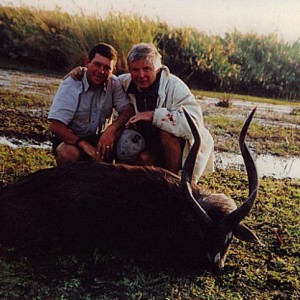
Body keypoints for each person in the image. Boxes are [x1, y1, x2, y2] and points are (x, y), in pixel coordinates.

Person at [67, 43, 214, 183]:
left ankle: (172, 183)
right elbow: (104, 78)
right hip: (147, 144)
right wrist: (83, 71)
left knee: (167, 133)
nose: (141, 75)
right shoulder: (125, 82)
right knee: (124, 137)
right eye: (135, 70)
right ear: (129, 70)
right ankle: (114, 180)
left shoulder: (175, 86)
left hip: (173, 149)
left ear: (157, 69)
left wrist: (154, 115)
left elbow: (194, 124)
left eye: (147, 69)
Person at [48, 42, 134, 165]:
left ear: (113, 70)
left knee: (128, 139)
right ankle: (67, 181)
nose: (101, 71)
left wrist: (112, 129)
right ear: (87, 62)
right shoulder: (72, 83)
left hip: (100, 137)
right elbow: (55, 126)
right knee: (68, 153)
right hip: (72, 139)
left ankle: (114, 176)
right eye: (97, 64)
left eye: (107, 68)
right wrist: (83, 144)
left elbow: (128, 110)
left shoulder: (114, 84)